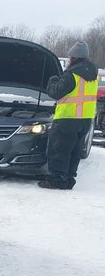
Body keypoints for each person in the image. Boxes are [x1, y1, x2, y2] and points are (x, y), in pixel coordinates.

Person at [39, 41, 99, 189]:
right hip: (85, 119)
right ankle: (69, 179)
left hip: (68, 118)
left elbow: (56, 93)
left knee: (59, 150)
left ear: (74, 57)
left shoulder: (72, 75)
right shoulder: (93, 75)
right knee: (74, 150)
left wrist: (52, 80)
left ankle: (57, 180)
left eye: (70, 57)